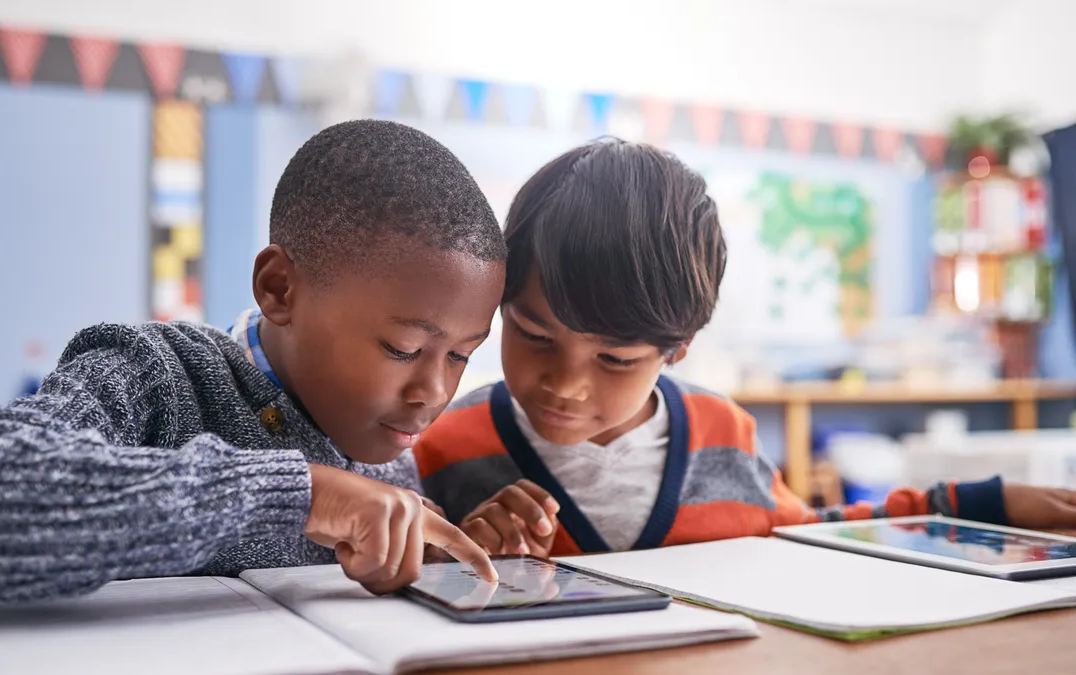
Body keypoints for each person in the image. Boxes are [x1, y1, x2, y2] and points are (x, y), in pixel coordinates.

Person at [0, 120, 503, 600]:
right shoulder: (155, 376)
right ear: (280, 289)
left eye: (460, 358)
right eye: (402, 349)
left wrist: (448, 553)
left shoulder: (390, 451)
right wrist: (299, 494)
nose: (432, 392)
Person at [414, 138, 1076, 557]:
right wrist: (453, 557)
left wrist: (969, 505)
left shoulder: (724, 434)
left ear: (679, 348)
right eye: (533, 335)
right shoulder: (442, 448)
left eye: (615, 359)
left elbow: (817, 532)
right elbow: (387, 574)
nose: (566, 383)